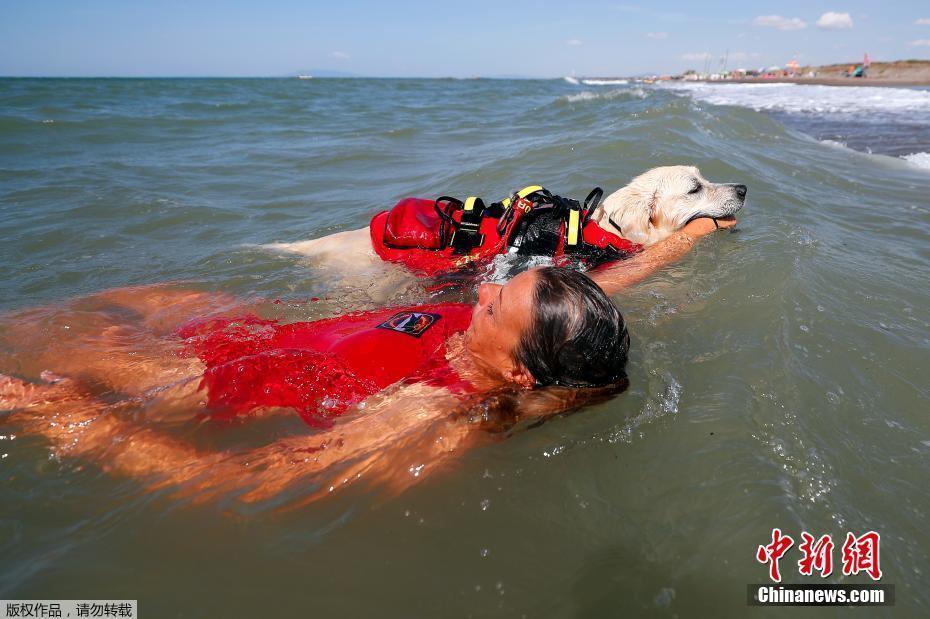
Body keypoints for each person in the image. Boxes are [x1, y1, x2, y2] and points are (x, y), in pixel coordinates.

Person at [0, 216, 735, 508]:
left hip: (190, 375)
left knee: (23, 326)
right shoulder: (541, 326)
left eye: (494, 303)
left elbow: (232, 481)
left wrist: (74, 420)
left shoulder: (427, 413)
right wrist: (697, 232)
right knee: (105, 295)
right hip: (242, 325)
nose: (483, 287)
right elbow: (620, 278)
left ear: (519, 371)